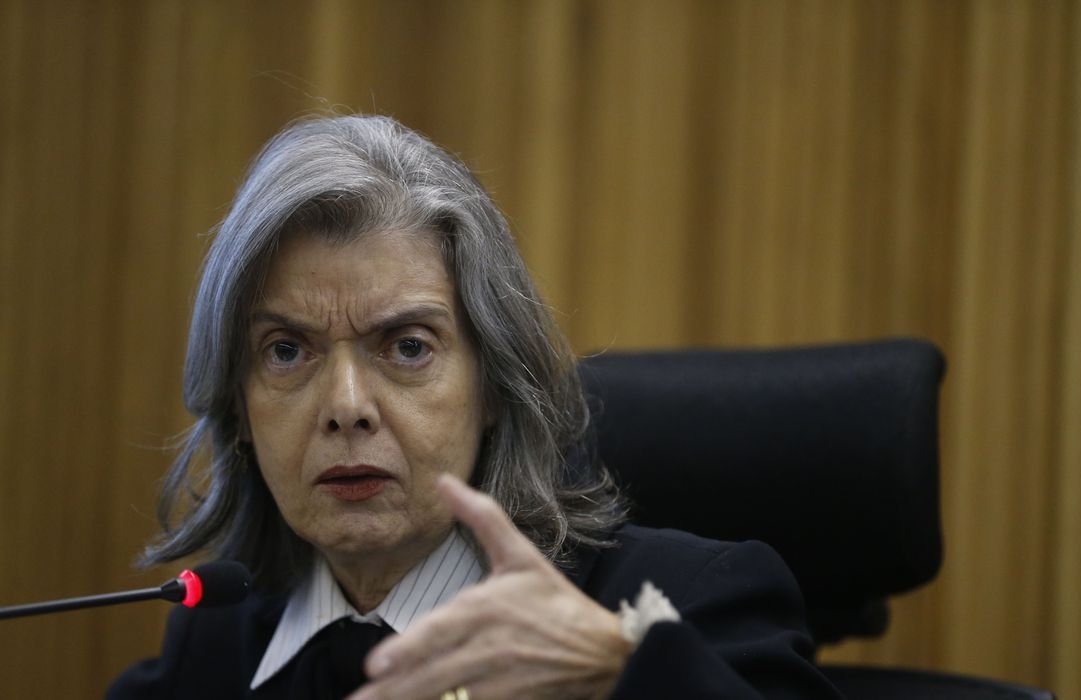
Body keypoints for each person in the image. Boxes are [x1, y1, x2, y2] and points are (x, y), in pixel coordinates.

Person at [107, 115, 843, 700]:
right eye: (287, 351)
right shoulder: (220, 641)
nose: (346, 408)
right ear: (238, 409)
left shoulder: (685, 609)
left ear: (495, 385)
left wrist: (622, 673)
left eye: (407, 347)